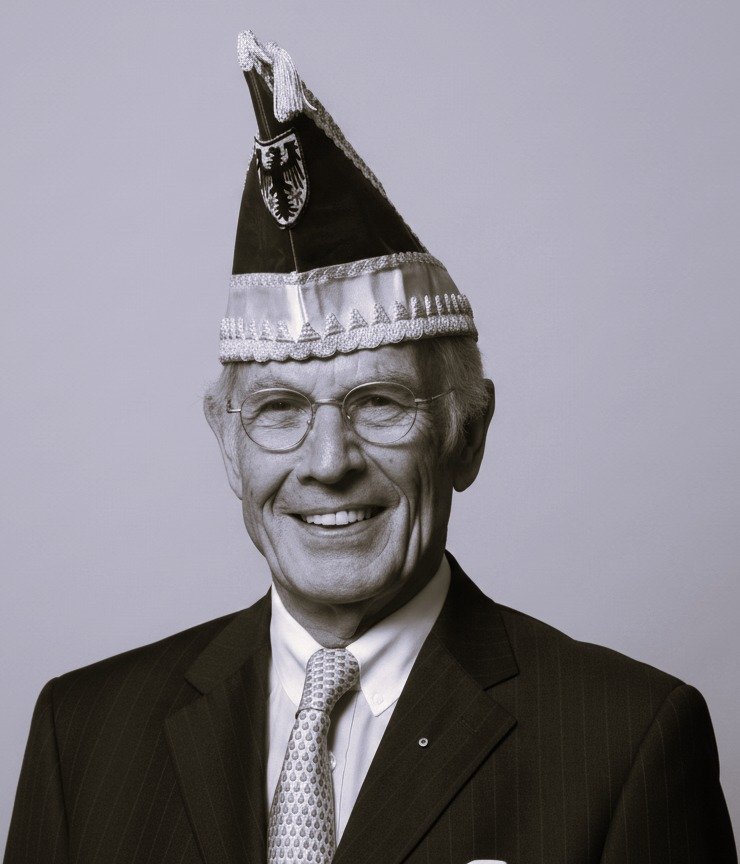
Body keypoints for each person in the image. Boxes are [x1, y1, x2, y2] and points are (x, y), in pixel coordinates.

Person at [4, 30, 736, 864]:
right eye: (279, 409)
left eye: (379, 404)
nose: (328, 463)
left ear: (467, 433)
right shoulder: (82, 736)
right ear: (228, 443)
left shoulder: (627, 741)